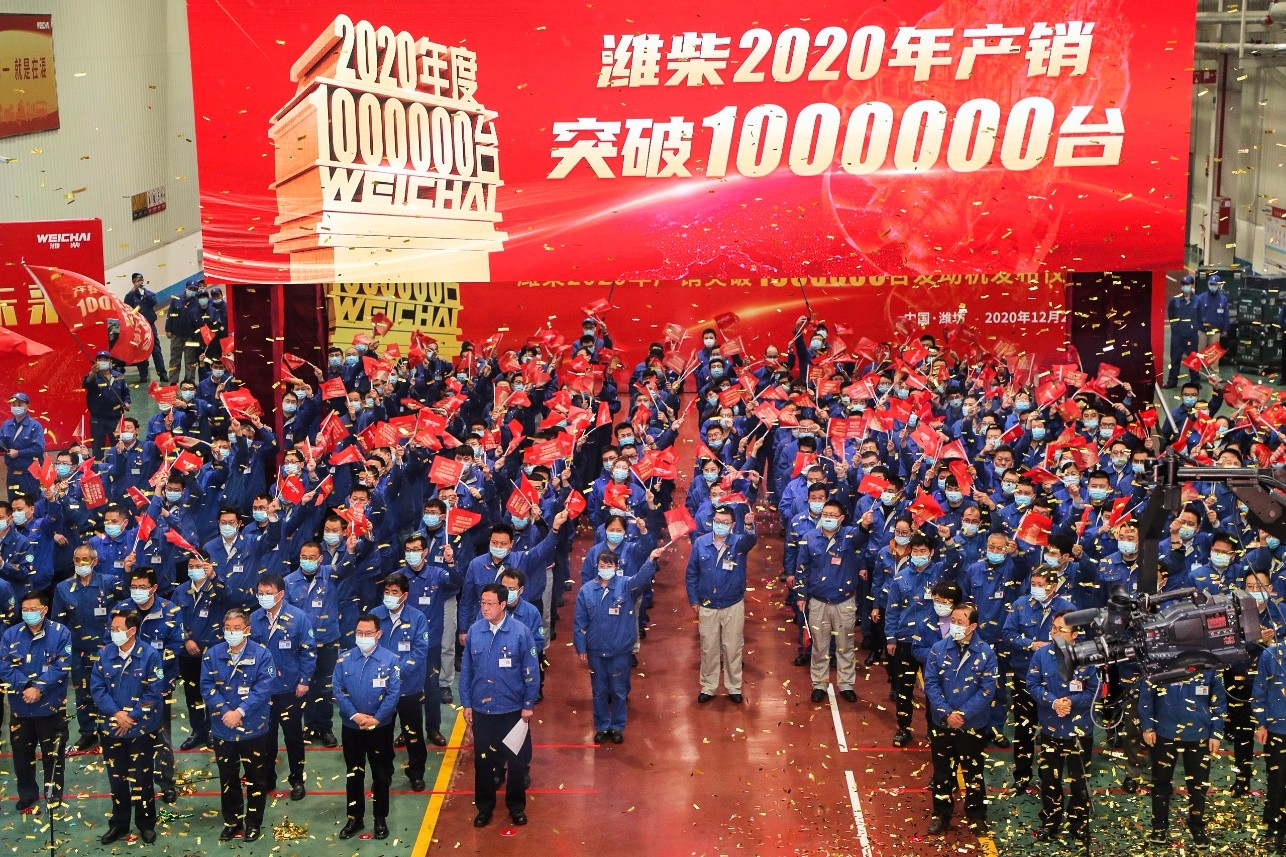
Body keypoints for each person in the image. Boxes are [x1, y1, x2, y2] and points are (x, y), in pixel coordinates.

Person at [460, 583, 539, 828]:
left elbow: (531, 671)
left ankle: (516, 807)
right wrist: (466, 703)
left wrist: (528, 704)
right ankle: (484, 807)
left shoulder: (520, 633)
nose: (485, 608)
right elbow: (466, 670)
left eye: (490, 603)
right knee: (483, 761)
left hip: (512, 710)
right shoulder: (475, 631)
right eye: (482, 603)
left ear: (503, 604)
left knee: (516, 761)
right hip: (483, 710)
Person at [200, 607, 276, 842]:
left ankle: (253, 823)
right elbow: (207, 686)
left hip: (253, 728)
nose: (231, 632)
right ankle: (232, 821)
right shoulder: (212, 654)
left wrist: (240, 711)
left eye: (237, 628)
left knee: (256, 777)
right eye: (228, 628)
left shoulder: (262, 655)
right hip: (223, 728)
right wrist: (225, 711)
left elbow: (263, 688)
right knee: (228, 778)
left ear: (247, 630)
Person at [922, 603, 996, 836]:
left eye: (960, 622)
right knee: (942, 771)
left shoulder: (986, 653)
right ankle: (941, 814)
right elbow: (931, 684)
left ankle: (976, 815)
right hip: (942, 722)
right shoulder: (938, 649)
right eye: (952, 621)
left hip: (972, 724)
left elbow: (987, 690)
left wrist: (962, 714)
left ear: (972, 626)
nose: (954, 625)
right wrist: (947, 713)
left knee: (974, 772)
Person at [92, 609, 165, 844]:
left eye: (118, 629)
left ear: (132, 630)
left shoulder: (150, 655)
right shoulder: (104, 654)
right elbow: (97, 689)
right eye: (112, 629)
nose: (113, 633)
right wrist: (116, 714)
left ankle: (146, 824)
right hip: (112, 726)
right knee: (117, 779)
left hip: (140, 728)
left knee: (143, 778)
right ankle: (119, 824)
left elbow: (154, 692)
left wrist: (131, 717)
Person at [1028, 610, 1100, 846]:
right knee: (1050, 779)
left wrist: (1071, 702)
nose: (1056, 633)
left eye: (1062, 630)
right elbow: (1032, 684)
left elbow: (1094, 691)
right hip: (1051, 727)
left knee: (1079, 781)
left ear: (1075, 634)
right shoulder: (1041, 655)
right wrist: (1053, 702)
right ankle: (1050, 821)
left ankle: (1078, 823)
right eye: (1054, 628)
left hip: (1079, 729)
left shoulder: (1088, 656)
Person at [575, 548, 661, 742]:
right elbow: (580, 621)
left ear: (616, 567)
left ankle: (617, 726)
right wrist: (581, 647)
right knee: (598, 690)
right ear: (597, 567)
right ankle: (601, 726)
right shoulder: (586, 590)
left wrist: (650, 560)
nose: (605, 569)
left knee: (619, 690)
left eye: (609, 566)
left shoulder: (626, 586)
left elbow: (641, 579)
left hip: (620, 649)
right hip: (596, 650)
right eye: (602, 566)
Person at [0, 590, 72, 813]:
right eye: (25, 610)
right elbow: (4, 667)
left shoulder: (60, 633)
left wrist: (39, 687)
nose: (29, 613)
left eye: (33, 609)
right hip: (21, 707)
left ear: (45, 610)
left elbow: (62, 666)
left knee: (53, 755)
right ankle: (27, 795)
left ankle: (53, 793)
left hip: (50, 706)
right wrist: (26, 687)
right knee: (22, 757)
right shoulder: (11, 635)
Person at [333, 612, 401, 841]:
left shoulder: (390, 660)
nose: (363, 637)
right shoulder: (344, 659)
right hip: (352, 727)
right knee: (354, 774)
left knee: (380, 775)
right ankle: (355, 818)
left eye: (368, 633)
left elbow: (393, 693)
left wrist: (377, 719)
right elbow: (338, 689)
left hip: (380, 728)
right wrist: (354, 715)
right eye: (359, 633)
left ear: (378, 634)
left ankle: (380, 818)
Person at [1139, 668, 1225, 846]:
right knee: (1160, 782)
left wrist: (1216, 732)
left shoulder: (1209, 665)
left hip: (1199, 734)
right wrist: (1147, 726)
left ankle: (1197, 826)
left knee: (1198, 785)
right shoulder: (1160, 661)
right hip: (1164, 732)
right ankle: (1159, 826)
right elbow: (1146, 694)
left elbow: (1219, 701)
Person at [793, 499, 865, 706]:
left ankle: (846, 685)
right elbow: (802, 568)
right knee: (820, 645)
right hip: (818, 601)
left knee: (845, 645)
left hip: (844, 602)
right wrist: (801, 595)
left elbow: (862, 536)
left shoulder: (850, 536)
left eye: (833, 515)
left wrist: (865, 525)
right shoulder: (809, 537)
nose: (828, 518)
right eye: (825, 514)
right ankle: (819, 684)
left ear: (841, 518)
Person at [250, 572, 315, 801]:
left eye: (268, 593)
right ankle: (267, 778)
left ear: (281, 594)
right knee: (265, 738)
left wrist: (304, 681)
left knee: (293, 737)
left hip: (289, 689)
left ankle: (297, 780)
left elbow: (308, 651)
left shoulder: (298, 618)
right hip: (263, 691)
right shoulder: (254, 619)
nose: (264, 597)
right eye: (260, 593)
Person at [687, 504, 757, 704]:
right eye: (717, 521)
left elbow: (750, 539)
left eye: (725, 523)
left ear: (732, 525)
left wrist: (749, 526)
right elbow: (691, 574)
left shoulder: (739, 543)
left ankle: (734, 687)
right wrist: (693, 600)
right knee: (708, 648)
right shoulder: (700, 543)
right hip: (707, 604)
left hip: (732, 604)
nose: (720, 525)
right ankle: (708, 687)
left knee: (732, 647)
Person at [372, 572, 431, 791]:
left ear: (404, 595)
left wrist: (396, 673)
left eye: (394, 592)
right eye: (386, 592)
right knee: (381, 734)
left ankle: (416, 773)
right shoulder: (375, 616)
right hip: (381, 687)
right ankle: (383, 774)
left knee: (413, 732)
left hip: (409, 686)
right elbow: (368, 646)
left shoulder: (417, 618)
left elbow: (419, 651)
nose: (389, 596)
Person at [1254, 628, 1286, 853]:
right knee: (1277, 782)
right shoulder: (1271, 655)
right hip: (1278, 730)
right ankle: (1274, 830)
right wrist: (1261, 723)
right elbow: (1259, 692)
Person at [123, 272, 169, 383]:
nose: (139, 283)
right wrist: (134, 291)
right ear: (133, 282)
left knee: (156, 350)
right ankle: (143, 375)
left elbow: (154, 302)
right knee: (141, 350)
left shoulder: (148, 294)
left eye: (141, 280)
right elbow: (127, 308)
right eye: (137, 281)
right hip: (139, 328)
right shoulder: (130, 296)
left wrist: (145, 294)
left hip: (150, 326)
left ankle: (162, 374)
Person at [83, 350, 131, 455]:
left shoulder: (119, 376)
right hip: (98, 419)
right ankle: (98, 464)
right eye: (100, 360)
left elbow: (126, 393)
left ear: (110, 361)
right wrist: (92, 373)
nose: (103, 362)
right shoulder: (93, 376)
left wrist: (127, 402)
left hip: (115, 418)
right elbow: (86, 384)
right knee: (97, 448)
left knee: (118, 447)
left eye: (105, 360)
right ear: (96, 362)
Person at [1, 393, 45, 501]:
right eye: (13, 405)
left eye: (19, 404)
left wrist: (18, 453)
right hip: (12, 473)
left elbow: (39, 449)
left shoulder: (35, 426)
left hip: (29, 473)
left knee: (32, 503)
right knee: (14, 502)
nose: (16, 407)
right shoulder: (6, 425)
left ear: (27, 406)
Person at [1164, 275, 1201, 388]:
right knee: (1175, 359)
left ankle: (1195, 382)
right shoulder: (1175, 300)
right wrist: (1175, 327)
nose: (1185, 287)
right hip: (1178, 336)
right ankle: (1172, 381)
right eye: (1184, 284)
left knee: (1193, 359)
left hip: (1192, 336)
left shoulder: (1198, 300)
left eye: (1187, 284)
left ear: (1191, 285)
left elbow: (1200, 315)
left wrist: (1195, 328)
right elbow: (1171, 314)